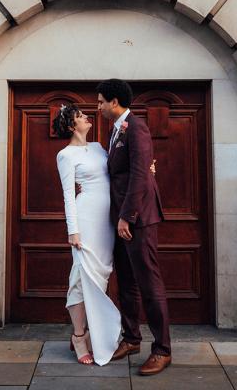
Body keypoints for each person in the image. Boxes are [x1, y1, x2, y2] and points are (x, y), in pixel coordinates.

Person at [97, 78, 172, 376]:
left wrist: (127, 217)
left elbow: (141, 175)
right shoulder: (115, 130)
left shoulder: (136, 128)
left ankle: (162, 349)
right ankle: (131, 338)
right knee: (126, 281)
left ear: (115, 101)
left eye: (101, 101)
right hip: (120, 219)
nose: (99, 106)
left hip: (137, 219)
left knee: (148, 282)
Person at [53, 105, 121, 366]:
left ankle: (90, 332)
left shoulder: (98, 148)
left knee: (101, 277)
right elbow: (68, 195)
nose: (85, 117)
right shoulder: (65, 155)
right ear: (71, 126)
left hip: (106, 221)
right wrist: (73, 230)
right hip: (86, 220)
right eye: (79, 116)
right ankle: (80, 337)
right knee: (81, 278)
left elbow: (115, 174)